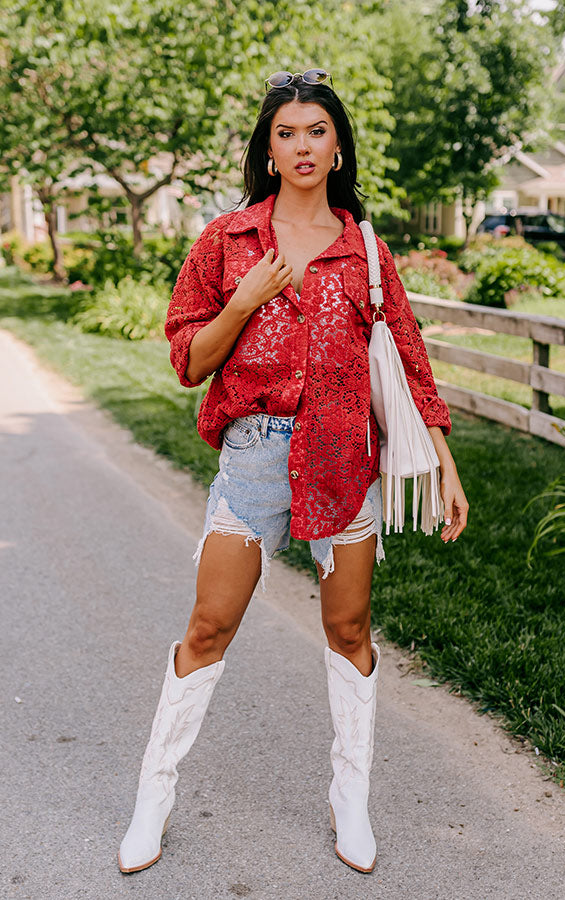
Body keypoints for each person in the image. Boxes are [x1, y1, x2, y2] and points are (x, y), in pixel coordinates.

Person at [118, 68, 469, 876]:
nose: (302, 145)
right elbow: (188, 359)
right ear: (267, 150)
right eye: (286, 133)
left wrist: (444, 466)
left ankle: (351, 799)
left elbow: (410, 369)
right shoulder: (228, 240)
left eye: (316, 130)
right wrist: (241, 301)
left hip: (347, 458)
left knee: (349, 629)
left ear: (337, 145)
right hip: (255, 458)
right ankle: (154, 798)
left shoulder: (367, 250)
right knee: (209, 627)